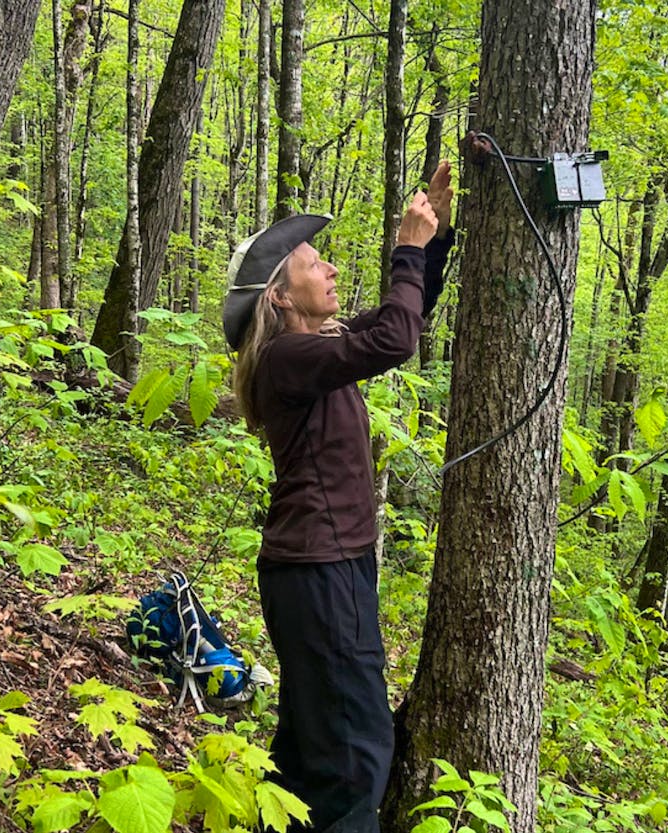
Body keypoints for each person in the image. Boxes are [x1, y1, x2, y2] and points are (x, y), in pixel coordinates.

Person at [222, 162, 455, 833]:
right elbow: (394, 338)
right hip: (319, 573)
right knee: (355, 758)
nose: (327, 269)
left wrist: (430, 243)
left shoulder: (313, 352)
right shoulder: (287, 360)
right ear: (279, 298)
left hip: (319, 572)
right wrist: (405, 249)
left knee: (306, 757)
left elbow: (398, 318)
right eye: (311, 262)